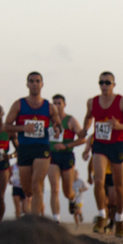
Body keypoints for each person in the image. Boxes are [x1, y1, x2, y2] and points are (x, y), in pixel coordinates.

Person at [81, 72, 123, 237]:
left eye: (108, 82)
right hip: (100, 144)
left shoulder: (122, 101)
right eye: (101, 82)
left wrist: (120, 126)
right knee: (98, 181)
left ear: (114, 84)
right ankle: (102, 216)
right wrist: (85, 129)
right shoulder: (92, 102)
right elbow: (88, 118)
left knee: (119, 186)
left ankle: (120, 220)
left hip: (117, 145)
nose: (104, 85)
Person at [4, 72, 61, 216]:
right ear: (27, 84)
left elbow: (58, 124)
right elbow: (6, 126)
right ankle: (36, 211)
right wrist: (23, 128)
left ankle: (35, 221)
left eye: (37, 81)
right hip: (24, 148)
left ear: (42, 84)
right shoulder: (19, 104)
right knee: (27, 190)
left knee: (37, 185)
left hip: (42, 148)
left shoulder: (49, 106)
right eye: (31, 81)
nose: (35, 84)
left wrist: (56, 129)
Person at [47, 94, 84, 223]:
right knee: (54, 189)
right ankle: (56, 220)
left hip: (67, 155)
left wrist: (66, 145)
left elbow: (82, 139)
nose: (57, 106)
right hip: (51, 156)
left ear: (64, 104)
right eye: (54, 103)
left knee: (67, 191)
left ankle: (73, 199)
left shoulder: (70, 120)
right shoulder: (48, 120)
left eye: (59, 103)